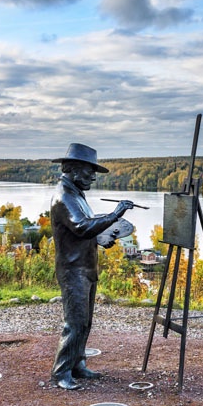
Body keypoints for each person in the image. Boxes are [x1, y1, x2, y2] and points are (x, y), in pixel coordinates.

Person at [49, 143, 133, 390]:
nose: (93, 177)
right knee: (74, 323)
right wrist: (116, 213)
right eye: (89, 172)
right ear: (74, 169)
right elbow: (82, 226)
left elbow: (86, 229)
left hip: (85, 267)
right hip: (73, 270)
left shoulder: (76, 193)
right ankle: (61, 371)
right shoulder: (64, 196)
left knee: (85, 322)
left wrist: (102, 237)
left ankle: (78, 363)